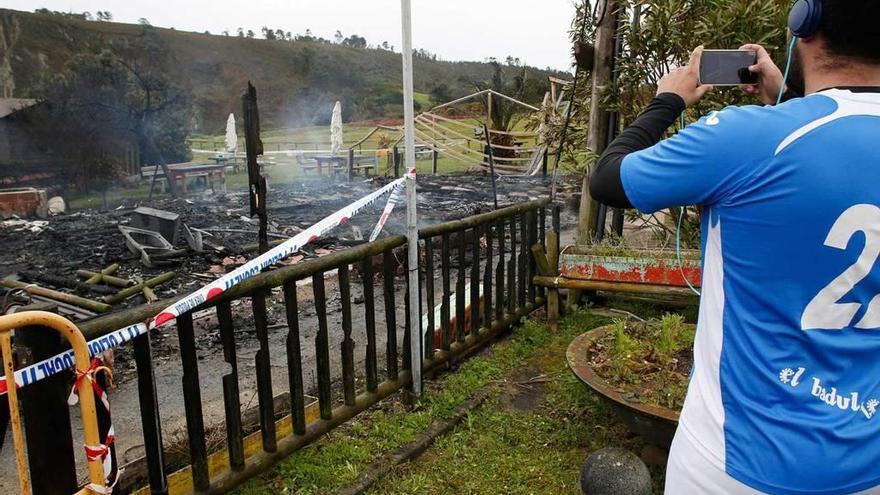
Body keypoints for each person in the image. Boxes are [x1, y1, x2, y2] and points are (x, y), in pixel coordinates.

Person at [589, 0, 880, 493]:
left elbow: (609, 179)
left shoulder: (748, 137)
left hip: (733, 465)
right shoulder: (777, 130)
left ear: (803, 25)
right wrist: (788, 92)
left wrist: (668, 100)